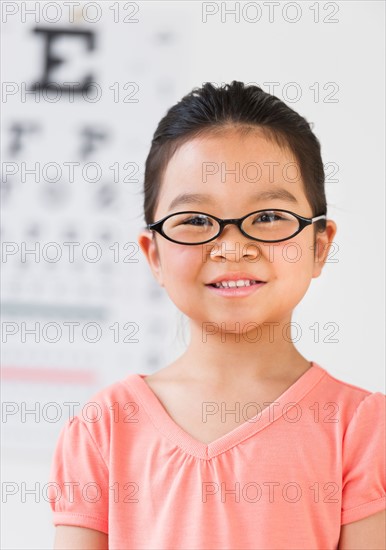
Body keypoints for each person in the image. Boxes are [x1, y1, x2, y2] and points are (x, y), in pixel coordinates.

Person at [49, 81, 386, 549]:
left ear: (319, 245)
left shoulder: (362, 428)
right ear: (154, 254)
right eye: (196, 221)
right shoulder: (104, 428)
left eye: (268, 216)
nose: (232, 247)